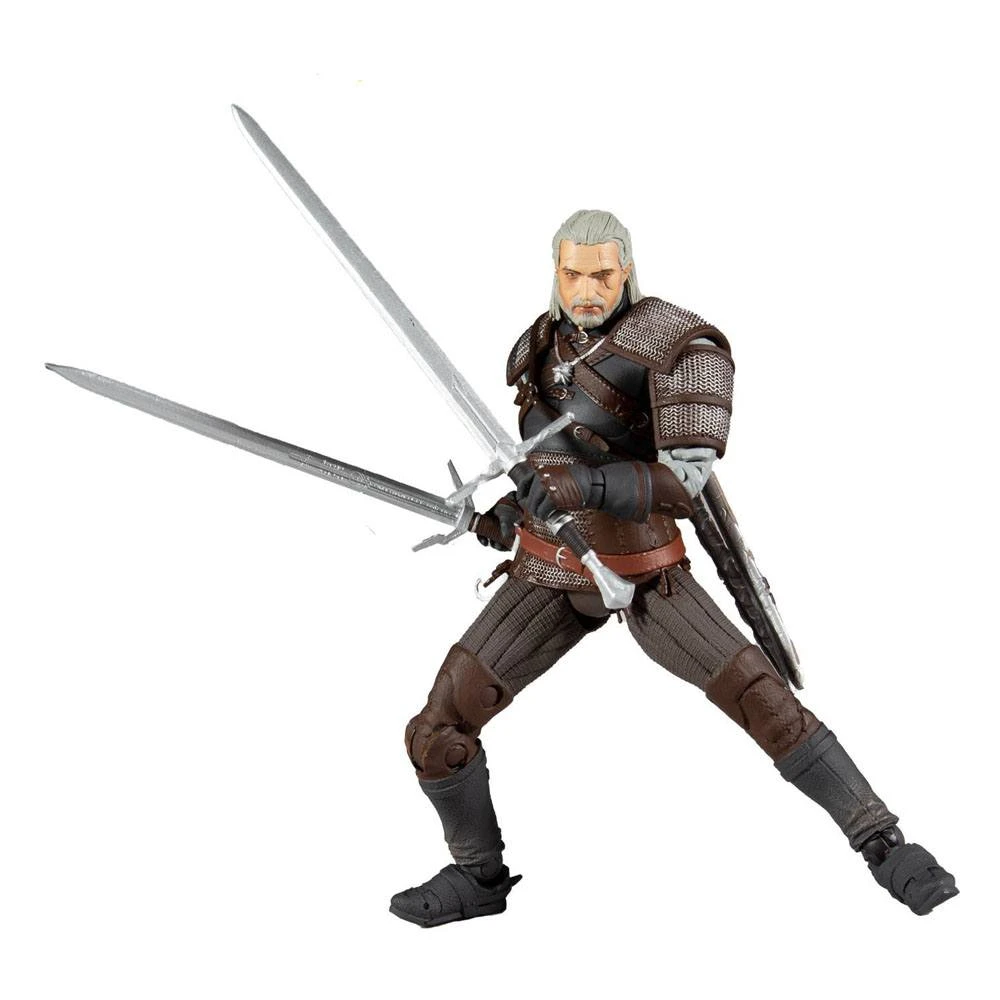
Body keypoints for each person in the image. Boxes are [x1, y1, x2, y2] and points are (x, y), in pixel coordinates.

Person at [389, 209, 957, 927]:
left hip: (642, 566)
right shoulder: (539, 344)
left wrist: (586, 486)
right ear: (555, 271)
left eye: (602, 273)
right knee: (437, 730)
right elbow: (542, 461)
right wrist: (510, 510)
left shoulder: (679, 344)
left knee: (765, 704)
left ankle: (885, 845)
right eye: (572, 273)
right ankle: (479, 876)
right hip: (551, 564)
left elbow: (684, 483)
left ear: (626, 269)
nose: (587, 289)